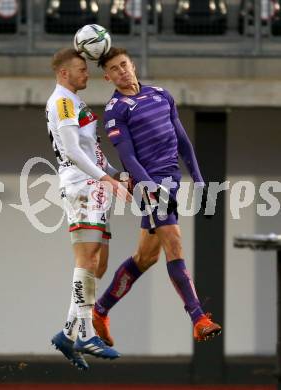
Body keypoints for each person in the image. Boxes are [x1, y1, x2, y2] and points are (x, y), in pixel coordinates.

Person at [92, 47, 222, 347]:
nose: (121, 71)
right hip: (152, 187)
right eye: (114, 69)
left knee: (146, 257)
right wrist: (152, 188)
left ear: (133, 65)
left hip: (171, 181)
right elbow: (128, 158)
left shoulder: (161, 94)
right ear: (107, 76)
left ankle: (100, 311)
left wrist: (201, 182)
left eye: (124, 64)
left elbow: (183, 143)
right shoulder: (115, 110)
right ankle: (199, 318)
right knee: (174, 243)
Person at [45, 48, 131, 370]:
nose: (87, 74)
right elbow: (70, 150)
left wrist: (112, 173)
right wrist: (105, 179)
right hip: (80, 187)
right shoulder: (63, 101)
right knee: (86, 258)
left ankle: (67, 333)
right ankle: (84, 332)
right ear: (64, 73)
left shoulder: (75, 102)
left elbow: (89, 150)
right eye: (81, 69)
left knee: (99, 264)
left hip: (93, 184)